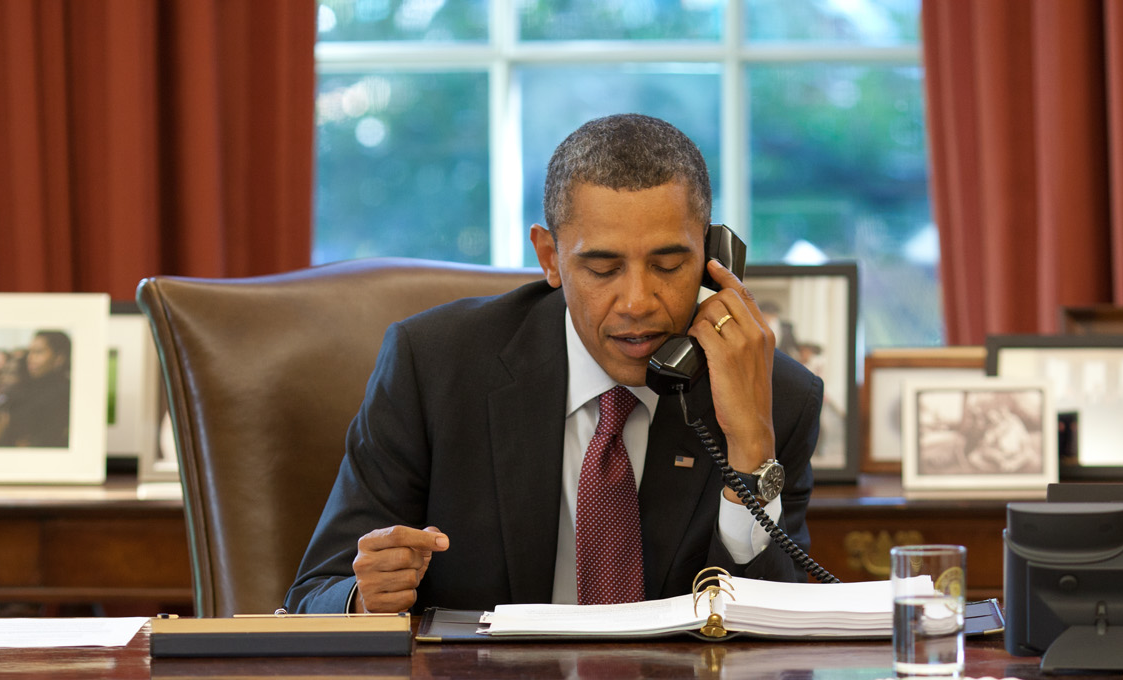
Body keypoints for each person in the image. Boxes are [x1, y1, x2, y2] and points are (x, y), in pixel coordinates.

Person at [285, 114, 821, 614]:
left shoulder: (778, 395)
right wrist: (362, 596)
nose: (637, 301)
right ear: (550, 258)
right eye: (603, 268)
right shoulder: (432, 367)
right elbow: (314, 593)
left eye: (667, 264)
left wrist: (751, 447)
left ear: (713, 259)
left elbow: (775, 639)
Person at [0, 330, 72, 449]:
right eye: (29, 352)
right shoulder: (29, 385)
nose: (30, 358)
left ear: (59, 357)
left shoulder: (63, 394)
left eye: (38, 352)